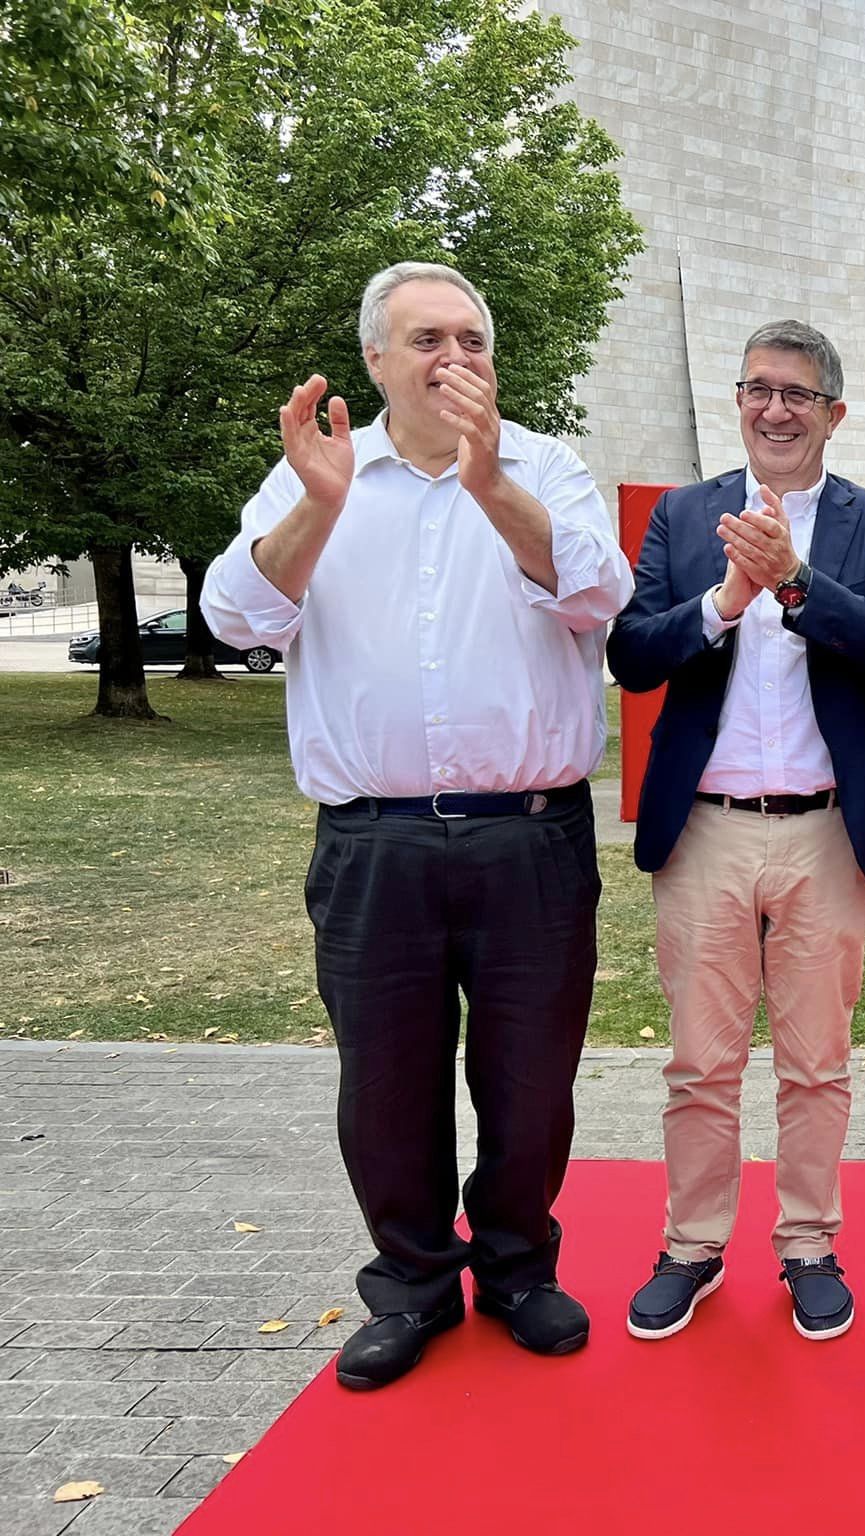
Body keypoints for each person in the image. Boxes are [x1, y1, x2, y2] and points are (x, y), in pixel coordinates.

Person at [200, 262, 634, 1388]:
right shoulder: (319, 476)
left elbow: (598, 594)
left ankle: (520, 1269)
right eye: (427, 338)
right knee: (385, 1084)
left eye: (473, 340)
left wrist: (493, 486)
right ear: (377, 362)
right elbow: (237, 616)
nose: (455, 358)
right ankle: (413, 1285)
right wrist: (321, 503)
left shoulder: (544, 466)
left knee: (531, 1078)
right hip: (373, 841)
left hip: (529, 839)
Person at [607, 320, 865, 1343]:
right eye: (758, 389)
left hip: (825, 835)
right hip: (703, 830)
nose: (775, 409)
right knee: (699, 1062)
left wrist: (792, 581)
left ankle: (806, 1245)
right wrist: (720, 600)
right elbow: (632, 652)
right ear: (739, 405)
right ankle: (692, 1247)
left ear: (834, 413)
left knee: (815, 1060)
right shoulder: (683, 514)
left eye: (797, 393)